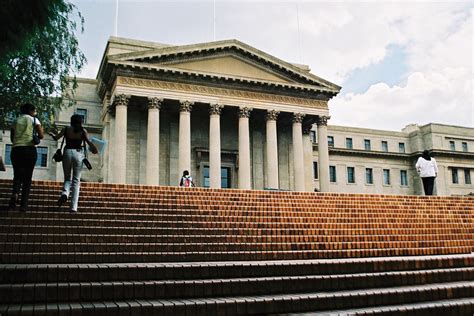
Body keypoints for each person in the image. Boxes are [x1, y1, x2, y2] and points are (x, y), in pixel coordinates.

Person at [49, 114, 98, 213]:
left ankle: (65, 193)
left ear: (71, 121)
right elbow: (88, 142)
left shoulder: (66, 129)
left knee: (67, 177)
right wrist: (95, 148)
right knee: (76, 180)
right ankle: (73, 207)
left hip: (67, 152)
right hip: (78, 154)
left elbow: (56, 138)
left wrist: (52, 135)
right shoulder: (83, 131)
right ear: (80, 122)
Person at [8, 103, 44, 212]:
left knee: (17, 175)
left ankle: (15, 194)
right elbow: (41, 135)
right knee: (27, 178)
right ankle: (23, 205)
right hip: (29, 149)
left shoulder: (15, 120)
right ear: (31, 111)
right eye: (35, 111)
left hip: (16, 149)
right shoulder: (34, 120)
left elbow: (12, 138)